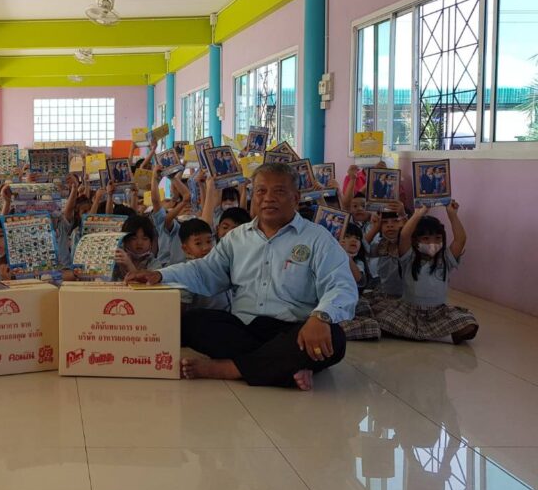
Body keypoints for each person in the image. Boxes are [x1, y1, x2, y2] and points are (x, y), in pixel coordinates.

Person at [127, 163, 358, 390]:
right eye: (261, 191)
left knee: (335, 338)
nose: (268, 198)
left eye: (279, 191)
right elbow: (204, 270)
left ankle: (228, 369)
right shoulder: (237, 238)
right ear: (253, 195)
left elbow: (342, 285)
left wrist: (320, 317)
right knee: (192, 322)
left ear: (296, 198)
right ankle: (283, 367)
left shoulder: (318, 238)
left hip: (294, 329)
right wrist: (159, 274)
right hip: (244, 328)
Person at [374, 201, 478, 343]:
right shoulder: (409, 257)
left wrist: (452, 215)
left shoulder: (445, 259)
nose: (432, 243)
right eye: (425, 239)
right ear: (415, 241)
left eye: (437, 238)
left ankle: (419, 333)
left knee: (469, 324)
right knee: (381, 322)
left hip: (438, 313)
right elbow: (404, 235)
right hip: (408, 311)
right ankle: (433, 334)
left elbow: (460, 240)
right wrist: (418, 214)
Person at [337, 222, 381, 341]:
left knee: (372, 326)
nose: (353, 240)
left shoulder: (357, 262)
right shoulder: (328, 258)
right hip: (331, 301)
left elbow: (358, 278)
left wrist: (345, 255)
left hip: (351, 302)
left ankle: (335, 330)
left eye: (357, 238)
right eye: (347, 236)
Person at [112, 215, 160, 280]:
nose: (139, 243)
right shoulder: (116, 260)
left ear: (151, 242)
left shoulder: (154, 263)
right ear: (125, 240)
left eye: (145, 239)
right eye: (134, 238)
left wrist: (129, 265)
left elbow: (148, 284)